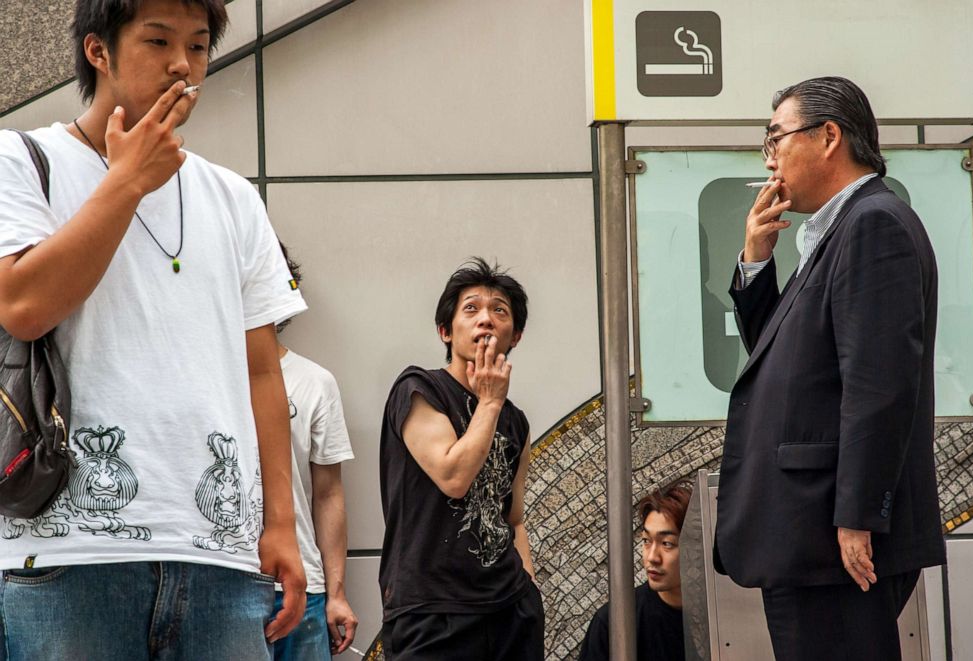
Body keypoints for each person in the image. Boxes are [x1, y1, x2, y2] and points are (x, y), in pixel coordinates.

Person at [0, 1, 307, 657]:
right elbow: (23, 303)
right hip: (70, 555)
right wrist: (129, 179)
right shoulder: (21, 160)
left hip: (222, 557)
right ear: (98, 51)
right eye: (158, 40)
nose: (181, 65)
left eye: (198, 47)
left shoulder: (233, 197)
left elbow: (263, 368)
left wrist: (281, 524)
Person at [714, 76, 946, 660]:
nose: (769, 159)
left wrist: (857, 517)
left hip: (833, 538)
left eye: (776, 139)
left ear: (829, 137)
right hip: (810, 534)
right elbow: (777, 355)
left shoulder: (872, 225)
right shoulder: (839, 230)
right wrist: (756, 260)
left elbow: (879, 387)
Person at [378, 257, 544, 660]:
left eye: (499, 311)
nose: (485, 319)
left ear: (516, 336)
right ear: (445, 331)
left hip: (509, 609)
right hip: (433, 611)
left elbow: (514, 516)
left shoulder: (515, 420)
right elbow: (453, 475)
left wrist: (530, 590)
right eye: (471, 309)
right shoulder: (419, 389)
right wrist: (489, 401)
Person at [272, 245, 358, 660]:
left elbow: (328, 493)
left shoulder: (314, 381)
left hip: (302, 586)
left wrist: (336, 592)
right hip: (218, 584)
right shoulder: (195, 377)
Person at [579, 483, 689, 661]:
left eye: (667, 543)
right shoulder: (614, 623)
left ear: (696, 546)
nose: (652, 557)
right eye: (646, 541)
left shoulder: (721, 615)